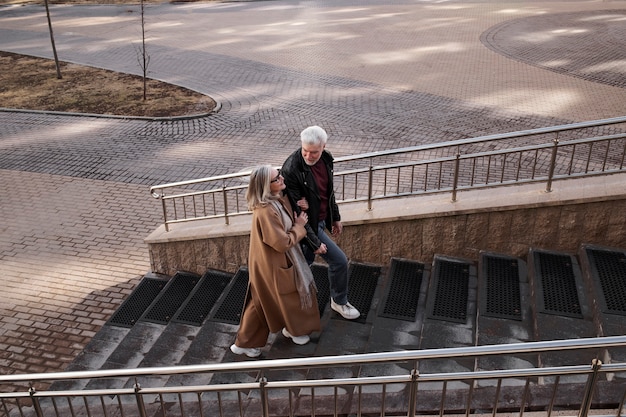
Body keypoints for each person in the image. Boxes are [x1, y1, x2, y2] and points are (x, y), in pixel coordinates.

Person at [230, 165, 321, 358]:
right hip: (272, 264)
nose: (281, 179)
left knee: (270, 300)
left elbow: (288, 213)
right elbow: (281, 242)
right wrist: (299, 227)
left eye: (279, 175)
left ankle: (291, 330)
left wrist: (301, 206)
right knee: (267, 302)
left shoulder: (276, 199)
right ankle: (247, 342)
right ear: (265, 186)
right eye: (276, 179)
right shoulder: (265, 211)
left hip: (276, 262)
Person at [281, 125, 360, 320]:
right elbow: (299, 214)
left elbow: (328, 193)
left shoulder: (326, 159)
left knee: (313, 267)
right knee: (306, 270)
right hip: (306, 229)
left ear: (324, 146)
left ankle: (337, 302)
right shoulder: (291, 168)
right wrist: (314, 242)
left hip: (320, 222)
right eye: (305, 151)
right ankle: (293, 314)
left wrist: (336, 217)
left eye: (314, 152)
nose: (308, 156)